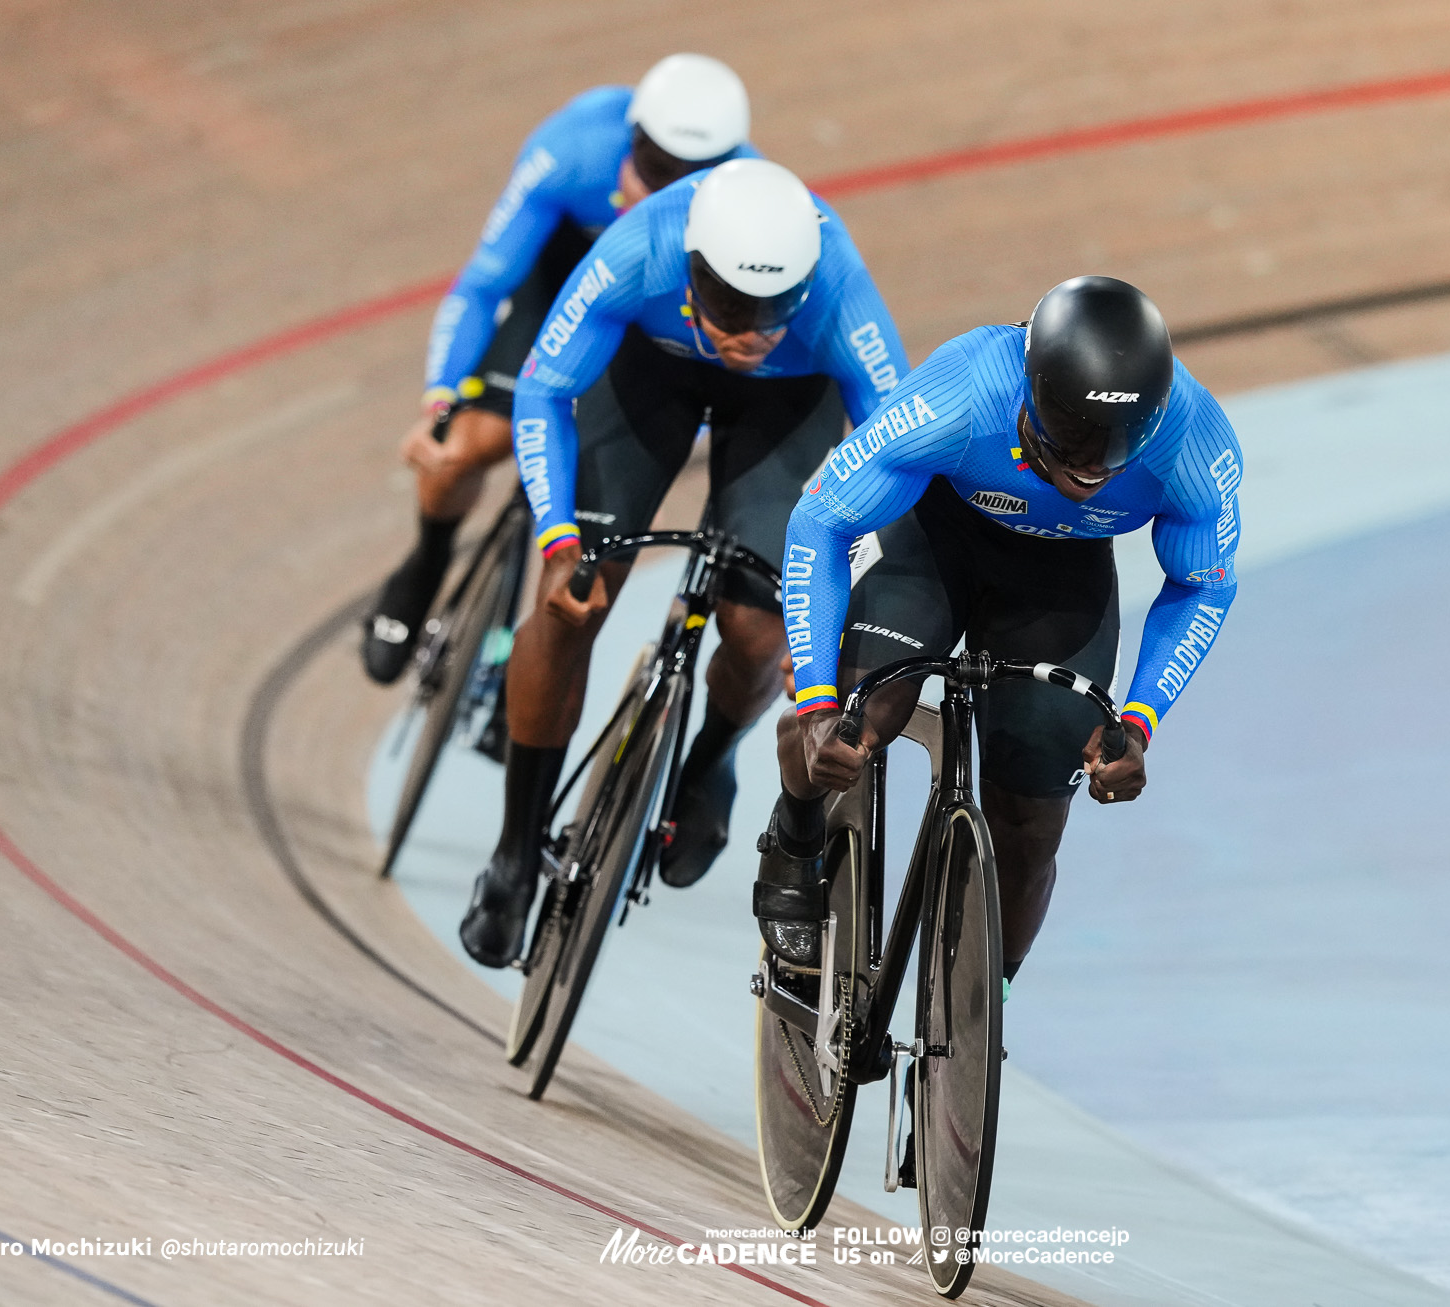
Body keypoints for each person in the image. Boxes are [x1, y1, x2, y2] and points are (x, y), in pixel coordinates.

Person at [458, 158, 911, 967]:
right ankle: (515, 850)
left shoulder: (841, 286)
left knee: (756, 626)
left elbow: (895, 448)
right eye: (729, 306)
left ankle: (709, 760)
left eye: (770, 312)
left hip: (784, 405)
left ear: (805, 288)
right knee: (570, 605)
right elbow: (542, 392)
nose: (744, 333)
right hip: (647, 375)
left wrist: (864, 573)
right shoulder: (640, 249)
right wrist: (560, 538)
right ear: (692, 268)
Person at [753, 276, 1242, 981]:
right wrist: (819, 698)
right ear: (1031, 389)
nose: (1092, 462)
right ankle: (797, 837)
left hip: (1058, 580)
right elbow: (821, 520)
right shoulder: (964, 393)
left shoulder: (1192, 440)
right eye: (1075, 430)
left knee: (1033, 814)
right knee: (861, 719)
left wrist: (1139, 720)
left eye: (1121, 439)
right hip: (933, 539)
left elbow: (1204, 584)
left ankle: (984, 1000)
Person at [363, 53, 757, 684]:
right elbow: (484, 285)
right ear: (631, 139)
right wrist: (440, 400)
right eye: (657, 168)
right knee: (464, 448)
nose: (667, 191)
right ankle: (427, 562)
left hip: (654, 314)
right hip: (564, 283)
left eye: (693, 177)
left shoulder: (750, 197)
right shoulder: (573, 151)